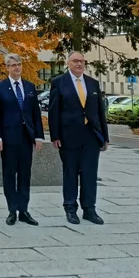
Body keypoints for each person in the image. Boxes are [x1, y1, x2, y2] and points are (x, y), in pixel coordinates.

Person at [48, 51, 108, 226]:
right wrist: (55, 136)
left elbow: (99, 112)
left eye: (82, 61)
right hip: (69, 136)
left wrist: (104, 136)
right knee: (71, 173)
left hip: (91, 135)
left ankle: (89, 209)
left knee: (89, 173)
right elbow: (53, 112)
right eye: (75, 61)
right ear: (68, 63)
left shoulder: (92, 83)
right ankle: (70, 208)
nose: (79, 64)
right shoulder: (59, 83)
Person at [0, 53, 44, 226]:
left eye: (19, 64)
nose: (17, 67)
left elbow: (36, 113)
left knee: (25, 175)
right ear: (7, 67)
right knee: (9, 175)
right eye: (13, 65)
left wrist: (38, 136)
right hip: (8, 138)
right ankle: (12, 210)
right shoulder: (0, 87)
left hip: (26, 138)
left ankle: (24, 210)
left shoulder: (29, 87)